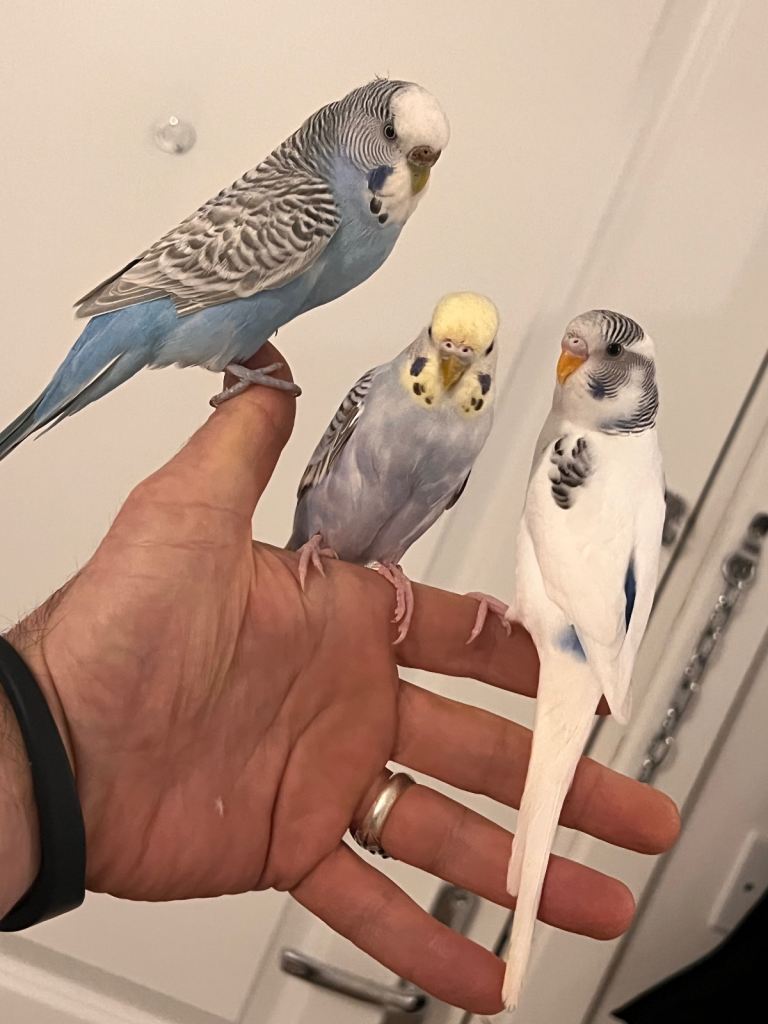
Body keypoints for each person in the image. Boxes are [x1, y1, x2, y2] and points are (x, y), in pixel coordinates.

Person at [0, 346, 679, 1016]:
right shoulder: (373, 391)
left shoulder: (494, 435)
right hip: (314, 556)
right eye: (442, 349)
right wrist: (56, 718)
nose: (452, 369)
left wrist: (50, 751)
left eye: (474, 358)